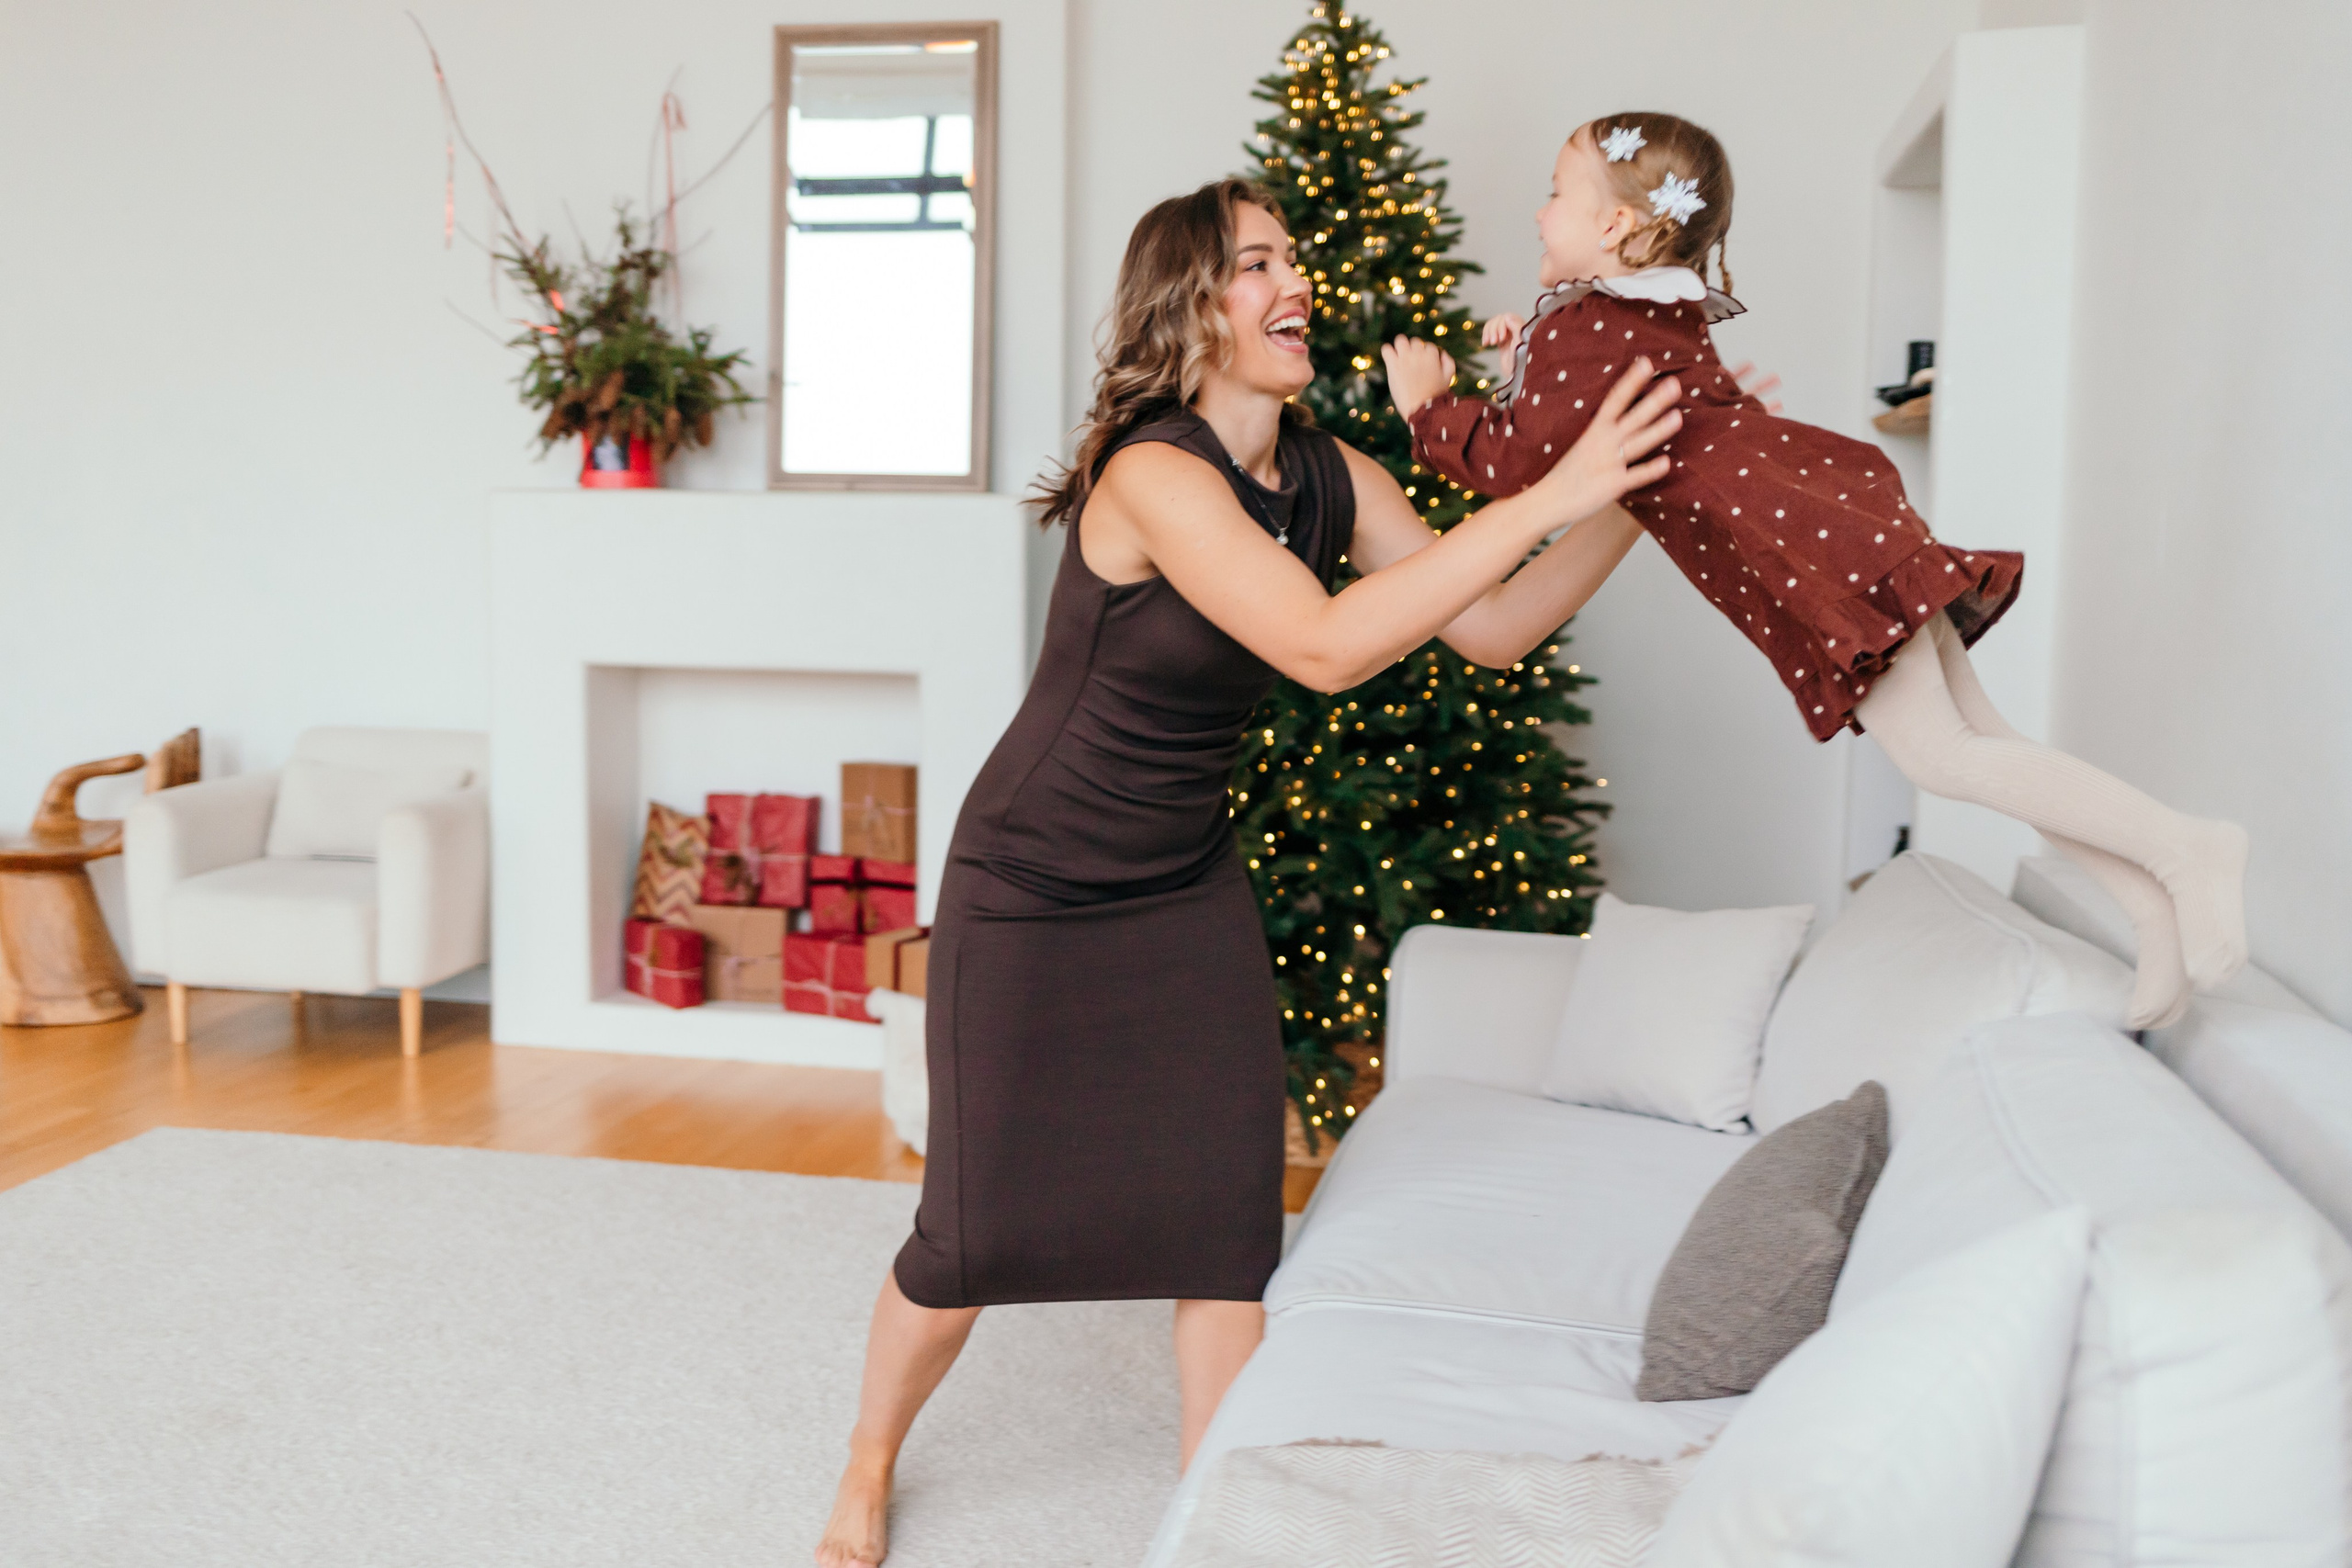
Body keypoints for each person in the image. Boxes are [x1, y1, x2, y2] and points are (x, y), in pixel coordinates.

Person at [815, 177, 1690, 1567]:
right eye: (1257, 263)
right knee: (969, 1229)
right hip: (1033, 881)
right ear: (1189, 306)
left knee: (1224, 1223)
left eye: (1296, 257)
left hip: (1181, 882)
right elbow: (1328, 645)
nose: (1298, 283)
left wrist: (1639, 491)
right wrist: (1550, 486)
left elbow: (1501, 625)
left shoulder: (1336, 475)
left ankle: (1203, 1511)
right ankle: (866, 1464)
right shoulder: (1152, 473)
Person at [1383, 111, 2248, 1030]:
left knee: (1946, 756)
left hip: (1814, 552)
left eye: (1557, 194)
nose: (1537, 212)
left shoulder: (1594, 326)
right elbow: (1568, 425)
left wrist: (1428, 409)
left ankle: (2187, 846)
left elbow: (1519, 464)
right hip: (1832, 518)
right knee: (1985, 740)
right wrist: (1522, 361)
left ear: (1617, 231)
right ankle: (2152, 904)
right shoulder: (1642, 311)